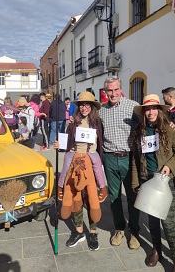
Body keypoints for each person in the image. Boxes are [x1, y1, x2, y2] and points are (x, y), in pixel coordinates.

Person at [130, 94, 175, 271]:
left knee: (167, 223)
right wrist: (136, 181)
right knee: (152, 221)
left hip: (165, 182)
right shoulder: (140, 131)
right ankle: (156, 250)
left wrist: (169, 166)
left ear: (159, 111)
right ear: (144, 112)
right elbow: (135, 159)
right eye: (147, 109)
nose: (150, 112)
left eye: (154, 108)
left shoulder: (168, 129)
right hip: (147, 181)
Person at [53, 91, 106, 251]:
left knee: (92, 199)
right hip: (74, 162)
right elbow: (66, 142)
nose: (84, 107)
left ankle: (93, 232)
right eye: (81, 105)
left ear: (92, 107)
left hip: (91, 162)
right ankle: (78, 231)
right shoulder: (73, 123)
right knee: (76, 198)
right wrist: (59, 145)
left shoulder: (97, 122)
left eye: (87, 105)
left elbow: (102, 141)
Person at [99, 75, 141, 249]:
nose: (113, 93)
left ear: (121, 89)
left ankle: (135, 232)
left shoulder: (133, 107)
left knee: (133, 196)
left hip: (129, 158)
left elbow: (148, 124)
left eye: (116, 89)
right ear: (105, 91)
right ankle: (119, 229)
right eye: (110, 90)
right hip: (109, 158)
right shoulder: (101, 110)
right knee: (114, 197)